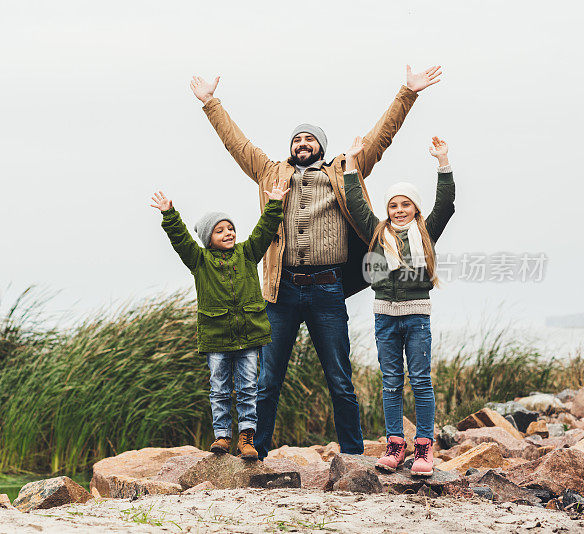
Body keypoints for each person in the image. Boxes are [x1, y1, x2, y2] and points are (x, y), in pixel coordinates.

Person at [190, 65, 442, 458]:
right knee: (268, 379)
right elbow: (236, 144)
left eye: (310, 139)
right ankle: (256, 452)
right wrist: (210, 103)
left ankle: (354, 457)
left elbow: (381, 138)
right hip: (281, 289)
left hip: (328, 289)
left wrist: (407, 94)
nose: (302, 143)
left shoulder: (342, 170)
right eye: (297, 139)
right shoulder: (270, 171)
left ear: (321, 147)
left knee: (339, 380)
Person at [150, 179, 289, 459]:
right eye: (219, 230)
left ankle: (247, 438)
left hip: (249, 335)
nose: (228, 233)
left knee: (249, 388)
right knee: (220, 389)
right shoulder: (199, 261)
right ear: (207, 238)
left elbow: (264, 231)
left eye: (230, 228)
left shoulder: (248, 254)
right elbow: (181, 240)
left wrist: (274, 204)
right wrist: (169, 215)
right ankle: (223, 436)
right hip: (216, 338)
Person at [343, 135, 455, 476]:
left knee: (420, 381)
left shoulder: (427, 232)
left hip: (417, 315)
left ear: (416, 209)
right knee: (391, 381)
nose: (399, 210)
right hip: (384, 318)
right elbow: (355, 204)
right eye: (394, 205)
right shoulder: (377, 234)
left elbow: (447, 204)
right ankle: (395, 446)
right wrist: (350, 164)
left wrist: (443, 162)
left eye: (406, 205)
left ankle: (423, 448)